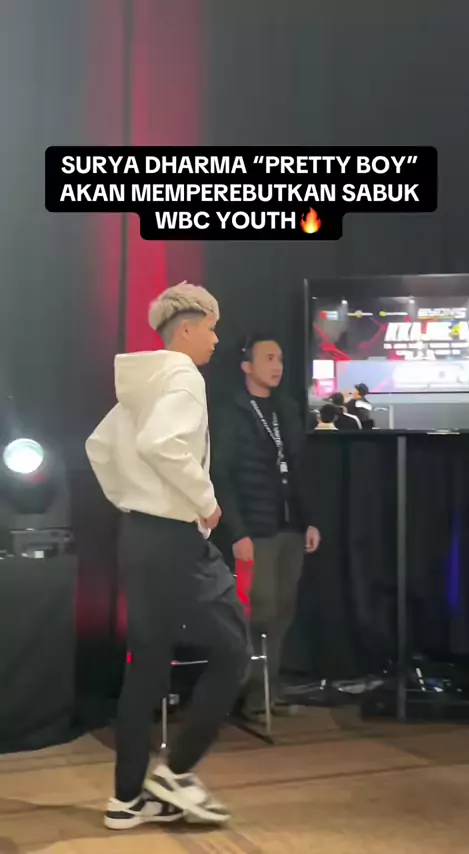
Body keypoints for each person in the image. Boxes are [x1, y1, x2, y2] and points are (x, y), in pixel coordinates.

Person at [86, 282, 249, 830]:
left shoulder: (142, 382)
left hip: (139, 537)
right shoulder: (181, 375)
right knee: (233, 650)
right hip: (175, 539)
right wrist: (206, 502)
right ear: (186, 329)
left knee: (148, 668)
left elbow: (99, 447)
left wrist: (132, 498)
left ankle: (126, 799)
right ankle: (176, 773)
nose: (216, 339)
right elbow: (162, 444)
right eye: (211, 329)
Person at [211, 334, 321, 720]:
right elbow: (221, 475)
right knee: (261, 609)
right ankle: (235, 691)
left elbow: (301, 468)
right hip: (255, 529)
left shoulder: (286, 408)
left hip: (289, 525)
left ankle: (265, 694)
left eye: (281, 359)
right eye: (269, 358)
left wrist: (311, 520)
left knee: (283, 610)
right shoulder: (231, 412)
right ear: (247, 366)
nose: (277, 366)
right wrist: (237, 533)